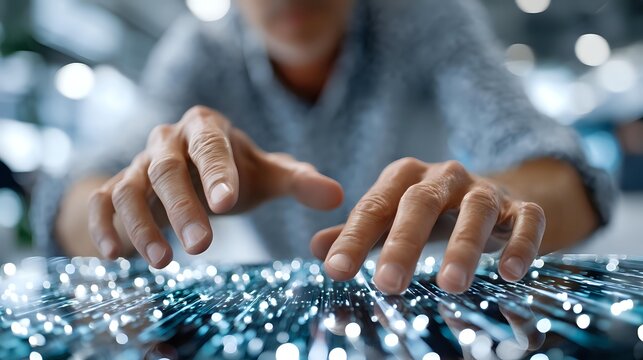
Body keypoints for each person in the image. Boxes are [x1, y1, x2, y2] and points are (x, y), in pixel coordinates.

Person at [33, 0, 613, 295]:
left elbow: (567, 172)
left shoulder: (423, 17)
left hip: (412, 297)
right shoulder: (201, 50)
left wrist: (502, 202)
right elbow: (74, 205)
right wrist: (147, 204)